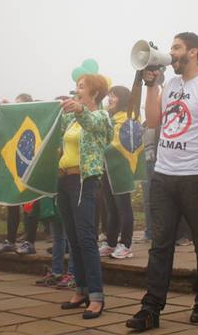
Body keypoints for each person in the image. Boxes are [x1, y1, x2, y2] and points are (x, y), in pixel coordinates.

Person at [126, 32, 198, 332]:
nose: (171, 53)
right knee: (160, 245)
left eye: (176, 48)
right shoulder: (169, 85)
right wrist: (151, 85)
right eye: (171, 48)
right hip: (164, 175)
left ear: (193, 52)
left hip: (196, 177)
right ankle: (151, 308)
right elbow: (154, 121)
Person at [57, 74, 112, 319]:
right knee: (73, 239)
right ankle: (81, 290)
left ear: (95, 93)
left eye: (81, 87)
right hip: (64, 180)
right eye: (76, 86)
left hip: (84, 182)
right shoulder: (70, 119)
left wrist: (79, 109)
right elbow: (51, 128)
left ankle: (97, 296)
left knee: (86, 238)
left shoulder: (101, 116)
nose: (76, 90)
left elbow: (91, 122)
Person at [99, 85, 138, 259]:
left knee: (124, 208)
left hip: (121, 169)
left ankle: (126, 245)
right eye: (109, 96)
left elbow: (124, 143)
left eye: (113, 96)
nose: (110, 99)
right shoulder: (109, 118)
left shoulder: (129, 117)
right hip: (106, 168)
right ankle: (111, 242)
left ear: (122, 99)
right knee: (111, 208)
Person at [0, 93, 34, 253]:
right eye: (15, 105)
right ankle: (10, 241)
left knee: (30, 208)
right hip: (15, 171)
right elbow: (0, 141)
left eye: (19, 105)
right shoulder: (13, 124)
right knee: (12, 206)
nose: (16, 108)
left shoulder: (33, 121)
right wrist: (3, 111)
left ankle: (29, 242)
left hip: (31, 170)